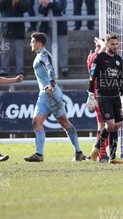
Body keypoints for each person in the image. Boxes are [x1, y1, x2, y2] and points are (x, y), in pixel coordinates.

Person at [24, 32, 85, 162]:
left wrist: (51, 83)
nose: (31, 44)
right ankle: (39, 154)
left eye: (32, 41)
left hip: (51, 94)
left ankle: (78, 152)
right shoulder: (39, 55)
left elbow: (50, 69)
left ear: (39, 43)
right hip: (43, 94)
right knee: (36, 122)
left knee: (64, 123)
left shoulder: (44, 55)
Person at [87, 34, 123, 164]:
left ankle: (113, 157)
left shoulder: (119, 59)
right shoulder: (99, 58)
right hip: (103, 96)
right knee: (109, 125)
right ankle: (96, 148)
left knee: (116, 126)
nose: (115, 47)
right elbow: (92, 76)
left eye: (116, 44)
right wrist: (90, 94)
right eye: (112, 44)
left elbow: (121, 79)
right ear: (107, 44)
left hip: (116, 96)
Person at [0, 0, 29, 77]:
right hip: (7, 30)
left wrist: (17, 0)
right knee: (5, 52)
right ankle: (4, 70)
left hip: (18, 30)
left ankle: (20, 70)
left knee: (19, 52)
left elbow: (26, 8)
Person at [38, 0, 69, 77]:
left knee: (63, 49)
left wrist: (49, 3)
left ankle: (64, 68)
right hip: (47, 28)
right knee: (47, 49)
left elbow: (61, 7)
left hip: (60, 27)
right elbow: (40, 10)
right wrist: (45, 5)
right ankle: (49, 67)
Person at [86, 37, 109, 162]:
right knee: (104, 125)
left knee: (107, 124)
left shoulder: (101, 57)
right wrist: (102, 43)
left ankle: (95, 151)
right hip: (98, 94)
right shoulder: (94, 56)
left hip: (105, 93)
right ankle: (101, 153)